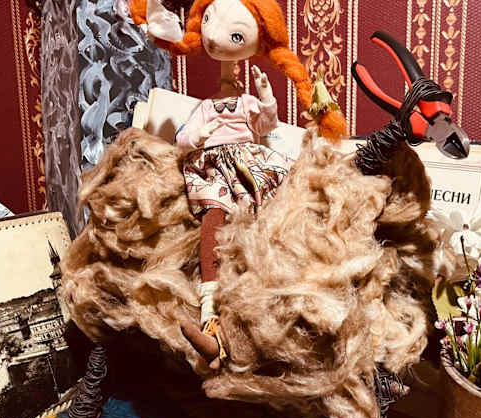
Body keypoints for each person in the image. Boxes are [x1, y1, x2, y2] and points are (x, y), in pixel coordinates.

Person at [129, 0, 346, 368]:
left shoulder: (246, 103)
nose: (215, 39)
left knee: (263, 229)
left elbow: (266, 127)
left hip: (249, 168)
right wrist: (200, 137)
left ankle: (259, 314)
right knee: (212, 226)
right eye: (210, 23)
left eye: (233, 34)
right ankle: (210, 320)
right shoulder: (205, 107)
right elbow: (184, 138)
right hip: (213, 170)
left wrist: (266, 99)